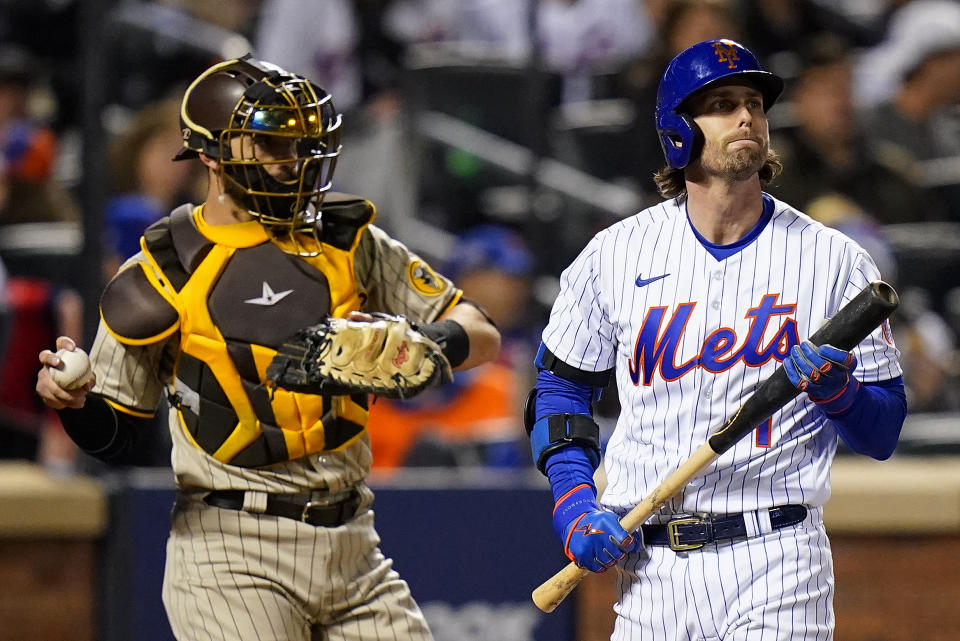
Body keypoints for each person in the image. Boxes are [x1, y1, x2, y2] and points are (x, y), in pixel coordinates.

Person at [35, 56, 500, 641]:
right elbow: (119, 433)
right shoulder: (164, 268)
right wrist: (73, 402)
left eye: (302, 145)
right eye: (273, 145)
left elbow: (480, 330)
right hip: (231, 547)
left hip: (353, 542)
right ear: (210, 154)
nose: (295, 162)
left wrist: (425, 341)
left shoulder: (345, 237)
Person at [527, 39, 906, 639]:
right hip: (651, 566)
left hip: (779, 553)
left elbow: (883, 431)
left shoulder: (834, 259)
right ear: (679, 129)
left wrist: (840, 394)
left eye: (754, 103)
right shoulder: (615, 254)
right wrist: (574, 501)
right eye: (722, 104)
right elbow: (560, 391)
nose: (746, 117)